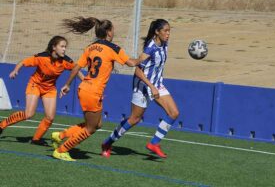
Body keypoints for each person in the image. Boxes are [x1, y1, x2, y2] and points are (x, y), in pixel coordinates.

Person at [51, 16, 142, 161]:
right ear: (108, 32)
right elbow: (131, 63)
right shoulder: (113, 48)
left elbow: (77, 67)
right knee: (91, 128)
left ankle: (60, 135)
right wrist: (143, 58)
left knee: (97, 124)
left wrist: (67, 84)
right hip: (93, 92)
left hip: (84, 88)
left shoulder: (90, 47)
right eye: (113, 30)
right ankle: (62, 150)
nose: (114, 32)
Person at [101, 19, 179, 159]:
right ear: (157, 32)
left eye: (169, 31)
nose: (168, 34)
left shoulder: (164, 44)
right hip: (143, 86)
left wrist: (155, 86)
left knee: (174, 113)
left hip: (157, 84)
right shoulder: (150, 48)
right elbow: (137, 71)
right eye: (165, 31)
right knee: (134, 119)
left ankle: (154, 143)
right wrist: (151, 87)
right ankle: (107, 143)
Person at [0, 36, 83, 145]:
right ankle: (2, 125)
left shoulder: (66, 61)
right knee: (29, 114)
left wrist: (85, 81)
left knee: (50, 117)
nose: (64, 49)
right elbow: (23, 62)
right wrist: (16, 70)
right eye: (62, 46)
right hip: (35, 85)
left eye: (65, 47)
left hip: (49, 89)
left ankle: (36, 139)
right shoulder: (42, 57)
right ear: (54, 47)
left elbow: (76, 69)